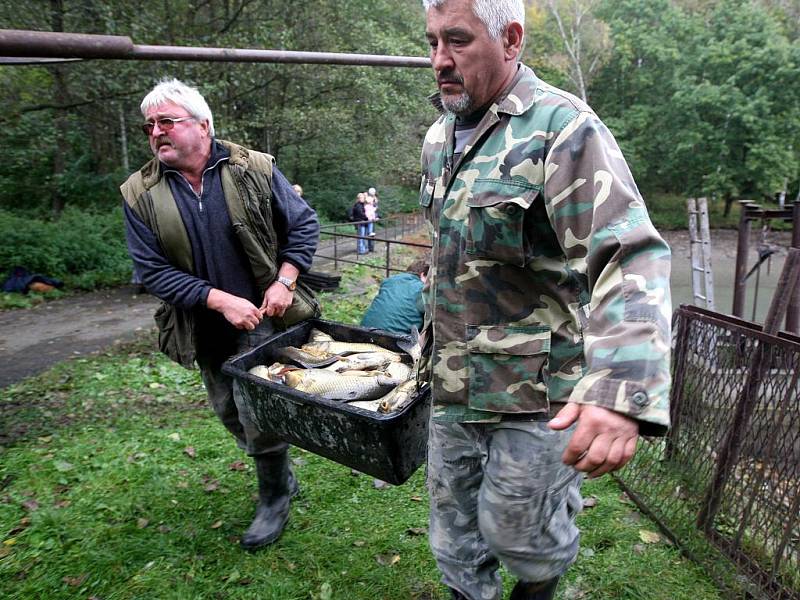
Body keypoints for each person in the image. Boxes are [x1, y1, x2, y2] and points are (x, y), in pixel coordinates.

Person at [418, 2, 672, 599]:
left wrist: (619, 388)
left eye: (457, 40)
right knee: (453, 540)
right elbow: (454, 247)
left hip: (536, 392)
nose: (439, 61)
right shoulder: (439, 135)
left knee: (522, 537)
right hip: (453, 384)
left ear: (510, 39)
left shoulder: (563, 128)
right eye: (431, 41)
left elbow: (629, 254)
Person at [120, 78, 320, 551]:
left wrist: (284, 280)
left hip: (264, 317)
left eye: (167, 122)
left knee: (259, 411)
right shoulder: (139, 192)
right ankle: (280, 472)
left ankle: (273, 498)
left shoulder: (254, 167)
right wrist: (218, 300)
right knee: (229, 411)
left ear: (203, 125)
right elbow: (151, 272)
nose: (156, 132)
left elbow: (304, 225)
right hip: (203, 322)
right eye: (150, 125)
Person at [361, 259, 428, 335]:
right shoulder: (422, 288)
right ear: (422, 275)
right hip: (395, 339)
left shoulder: (390, 280)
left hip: (364, 330)